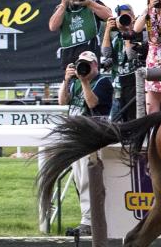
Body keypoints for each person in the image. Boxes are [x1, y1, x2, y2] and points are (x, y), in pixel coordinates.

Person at [57, 51, 112, 237]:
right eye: (81, 64)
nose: (84, 68)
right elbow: (62, 101)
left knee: (88, 179)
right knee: (79, 180)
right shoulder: (73, 82)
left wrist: (84, 81)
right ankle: (88, 219)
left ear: (96, 65)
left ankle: (89, 222)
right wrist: (66, 80)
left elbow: (92, 103)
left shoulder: (103, 82)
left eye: (88, 64)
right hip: (76, 136)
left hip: (92, 135)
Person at [48, 0, 112, 69]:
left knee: (91, 80)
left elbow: (109, 16)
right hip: (70, 56)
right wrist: (63, 5)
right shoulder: (62, 8)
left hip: (90, 54)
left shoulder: (92, 2)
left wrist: (89, 3)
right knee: (72, 81)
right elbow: (52, 27)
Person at [101, 3, 141, 121]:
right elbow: (106, 53)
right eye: (122, 18)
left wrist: (128, 32)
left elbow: (130, 55)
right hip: (118, 88)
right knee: (114, 124)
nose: (125, 20)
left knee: (131, 120)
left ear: (134, 17)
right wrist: (108, 29)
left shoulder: (138, 35)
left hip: (132, 87)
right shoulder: (116, 39)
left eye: (128, 16)